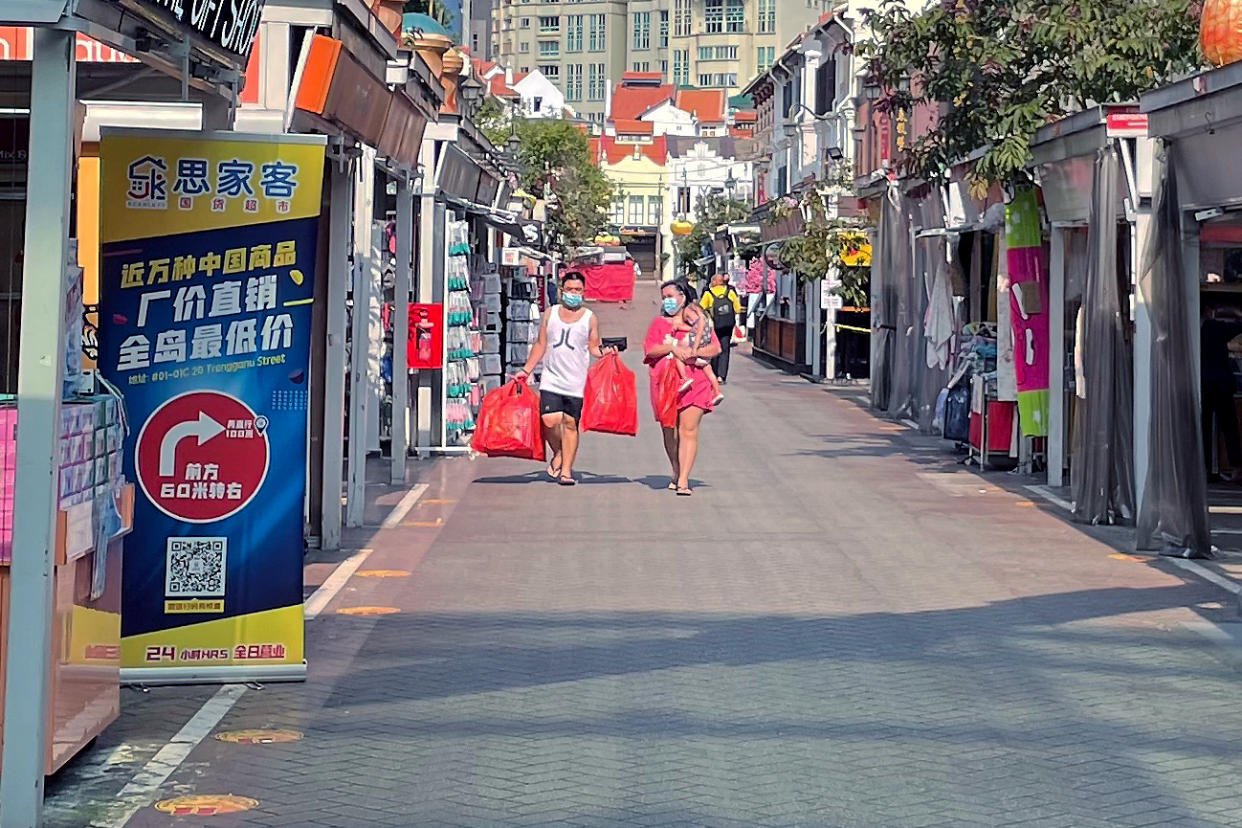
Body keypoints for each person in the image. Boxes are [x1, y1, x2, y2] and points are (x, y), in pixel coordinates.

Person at [516, 272, 609, 486]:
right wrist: (527, 369)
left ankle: (566, 470)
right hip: (552, 377)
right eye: (569, 290)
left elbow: (594, 346)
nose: (573, 294)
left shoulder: (589, 318)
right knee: (549, 419)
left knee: (570, 423)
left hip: (576, 381)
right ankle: (559, 452)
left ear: (584, 292)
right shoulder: (551, 314)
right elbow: (541, 344)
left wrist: (607, 353)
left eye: (578, 290)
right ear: (562, 290)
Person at [644, 279, 722, 496]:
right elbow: (650, 350)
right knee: (670, 430)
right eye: (664, 298)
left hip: (695, 381)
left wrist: (694, 353)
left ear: (683, 296)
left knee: (688, 429)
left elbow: (716, 347)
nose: (667, 301)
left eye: (670, 296)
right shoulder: (659, 324)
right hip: (665, 383)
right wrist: (672, 347)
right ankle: (676, 469)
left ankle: (684, 478)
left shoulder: (699, 322)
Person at [1201, 304, 1242, 483]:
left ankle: (1206, 468)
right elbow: (1239, 326)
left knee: (1204, 427)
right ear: (1209, 312)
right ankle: (1236, 467)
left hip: (1203, 382)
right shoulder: (1216, 327)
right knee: (1229, 426)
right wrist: (1236, 311)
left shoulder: (1192, 329)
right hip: (1222, 382)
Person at [671, 301, 724, 405]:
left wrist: (694, 350)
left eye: (688, 316)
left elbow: (698, 334)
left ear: (695, 310)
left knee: (679, 359)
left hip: (697, 352)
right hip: (705, 358)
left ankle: (684, 378)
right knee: (710, 373)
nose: (689, 321)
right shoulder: (707, 321)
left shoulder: (701, 320)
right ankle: (717, 392)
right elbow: (691, 329)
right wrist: (678, 327)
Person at [700, 271, 743, 384]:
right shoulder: (730, 292)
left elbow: (701, 308)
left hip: (714, 326)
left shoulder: (709, 293)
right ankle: (721, 376)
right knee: (725, 349)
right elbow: (738, 309)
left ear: (714, 282)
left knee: (714, 349)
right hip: (727, 325)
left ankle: (713, 373)